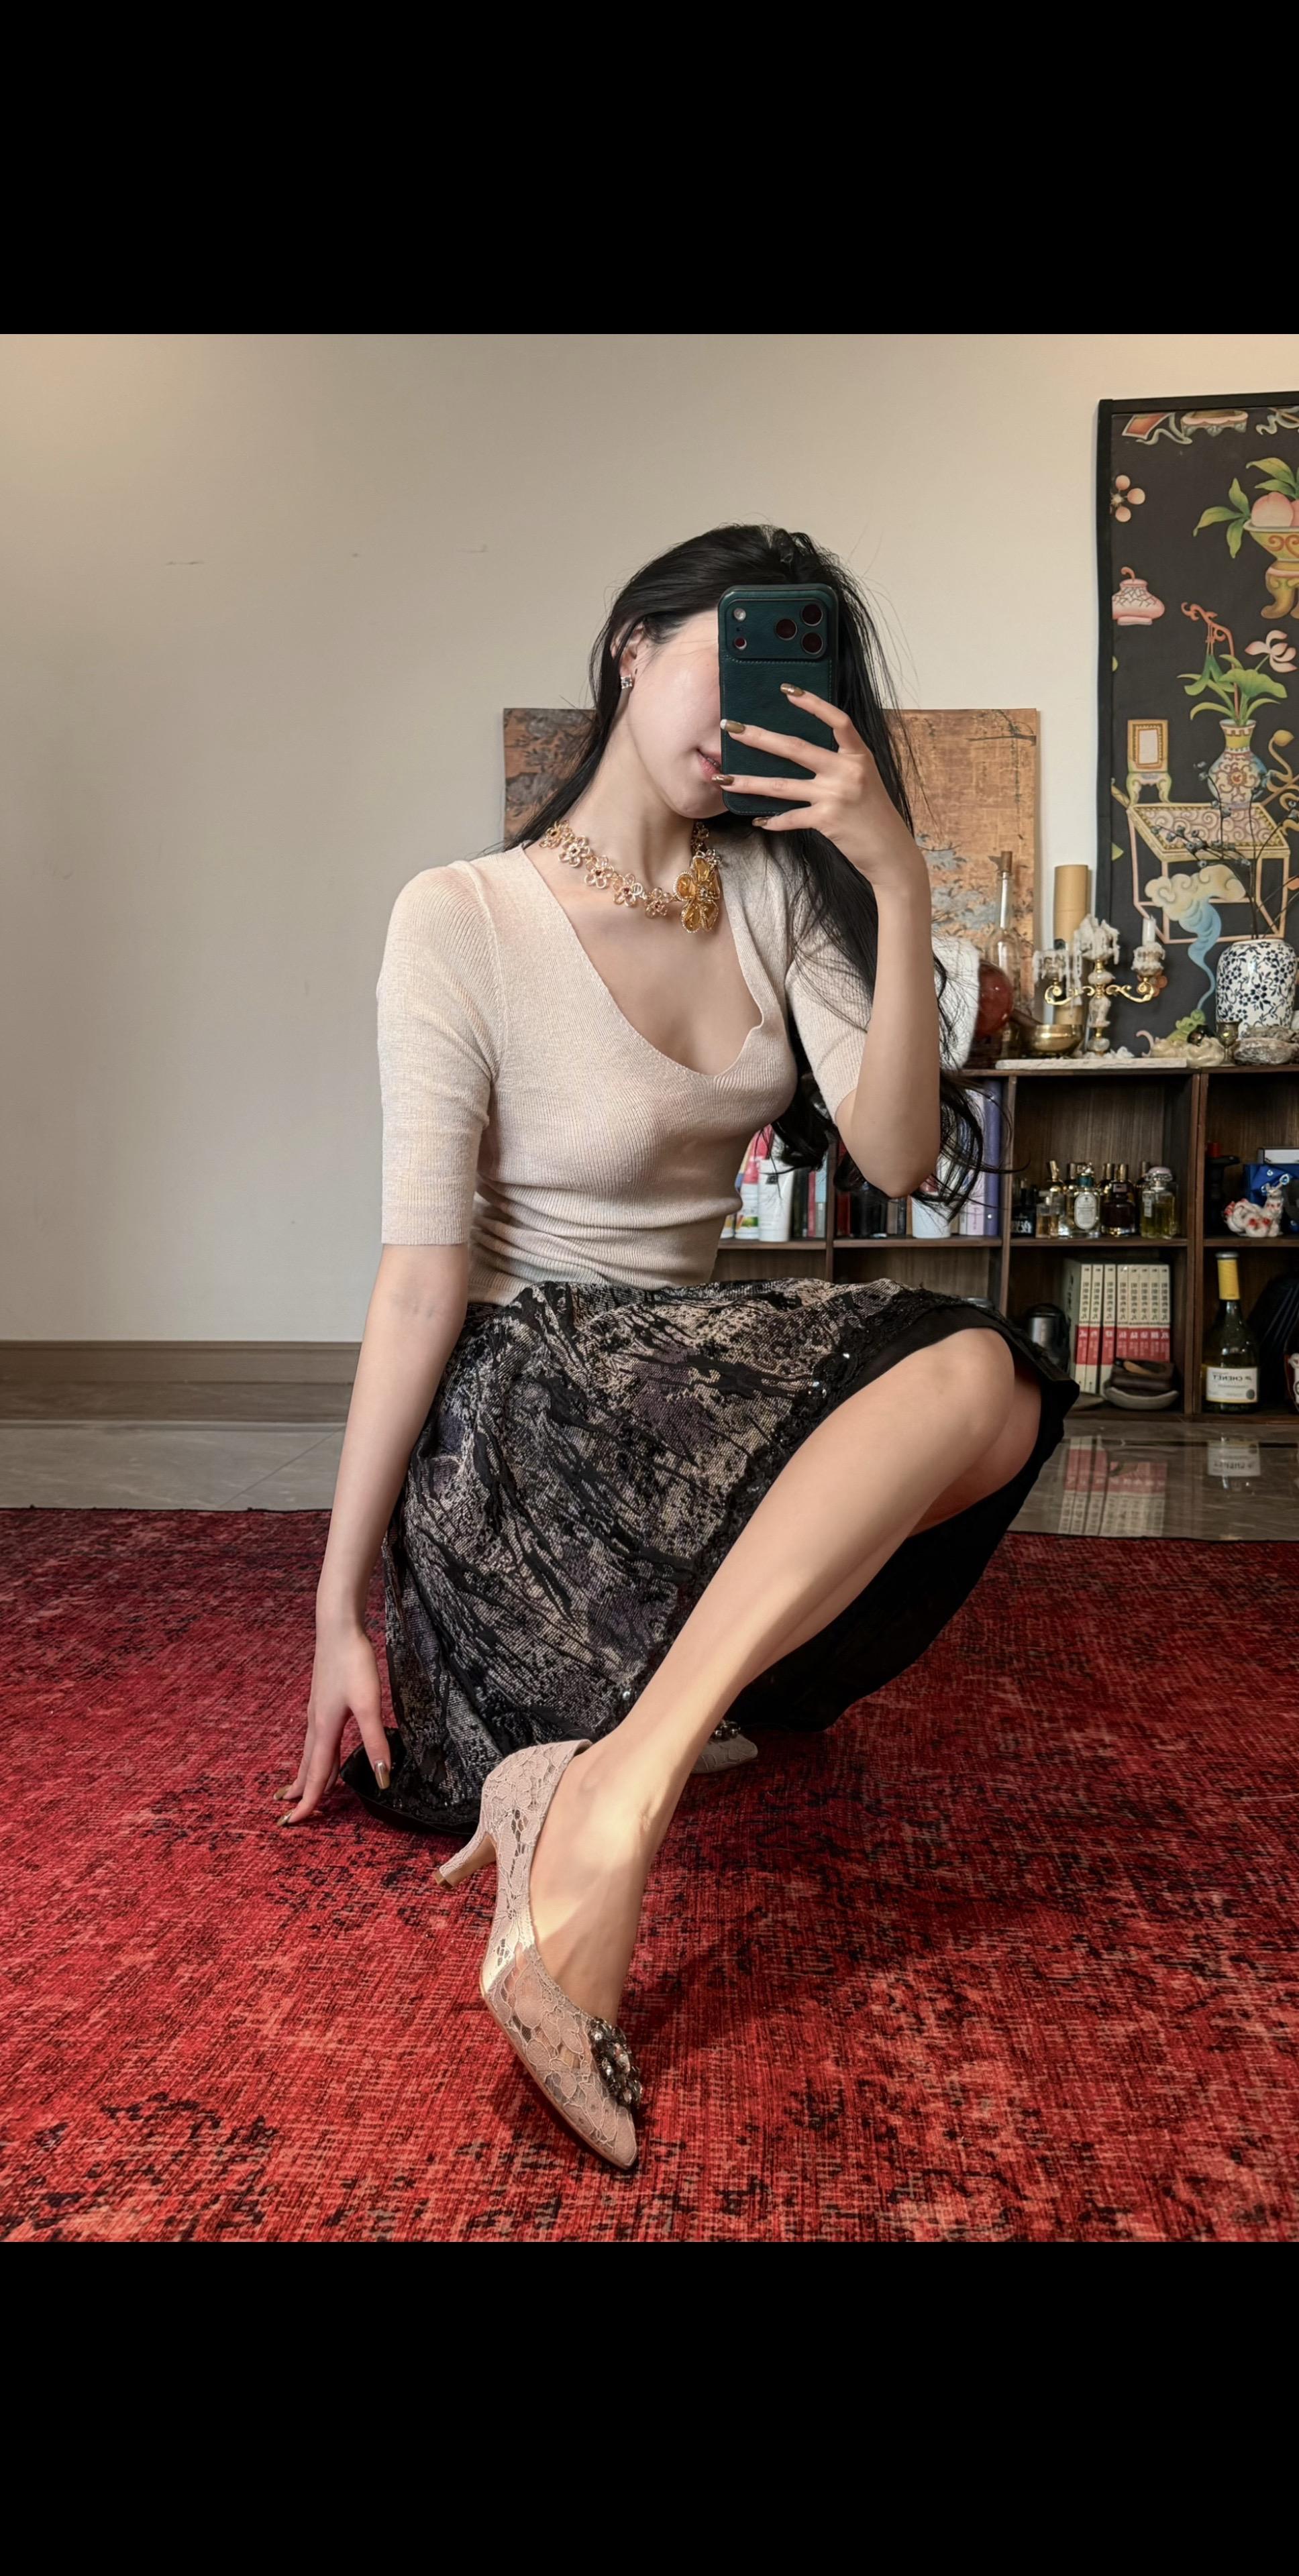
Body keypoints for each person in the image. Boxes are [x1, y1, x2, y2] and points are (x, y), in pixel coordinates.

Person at [277, 523, 1075, 2170]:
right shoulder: (460, 915)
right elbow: (420, 1279)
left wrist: (897, 880)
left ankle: (605, 1779)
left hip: (674, 1392)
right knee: (956, 1373)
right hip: (522, 1418)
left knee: (993, 1390)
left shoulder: (775, 894)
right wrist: (337, 1604)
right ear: (631, 649)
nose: (747, 710)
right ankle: (616, 1790)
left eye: (793, 673)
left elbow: (897, 1158)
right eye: (728, 654)